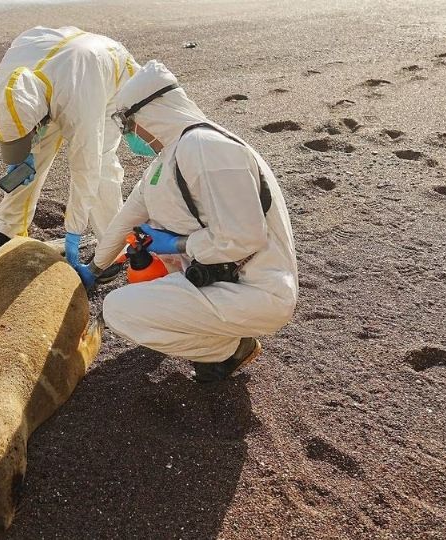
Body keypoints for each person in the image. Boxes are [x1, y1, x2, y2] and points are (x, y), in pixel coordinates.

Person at [74, 61, 299, 383]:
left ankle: (227, 348)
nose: (130, 135)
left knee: (119, 310)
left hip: (258, 290)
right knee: (143, 278)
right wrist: (93, 269)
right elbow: (126, 220)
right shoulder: (167, 160)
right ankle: (220, 338)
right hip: (218, 276)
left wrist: (177, 244)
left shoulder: (209, 149)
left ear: (152, 112)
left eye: (128, 124)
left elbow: (244, 238)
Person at [0, 26, 140, 281]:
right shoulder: (8, 82)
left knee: (102, 163)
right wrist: (19, 155)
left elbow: (87, 168)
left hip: (107, 81)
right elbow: (17, 117)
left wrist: (74, 230)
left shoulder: (80, 101)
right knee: (33, 154)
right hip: (59, 71)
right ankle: (8, 227)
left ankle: (112, 248)